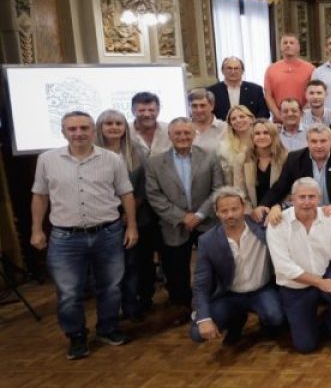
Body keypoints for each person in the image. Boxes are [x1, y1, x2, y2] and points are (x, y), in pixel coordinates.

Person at [31, 111, 138, 359]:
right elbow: (40, 195)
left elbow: (126, 194)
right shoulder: (47, 159)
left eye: (84, 128)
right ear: (63, 132)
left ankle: (108, 328)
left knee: (110, 287)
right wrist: (36, 229)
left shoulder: (112, 159)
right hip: (65, 238)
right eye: (72, 129)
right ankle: (76, 336)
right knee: (69, 292)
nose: (78, 133)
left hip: (108, 233)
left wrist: (131, 226)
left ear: (93, 130)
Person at [266, 178, 331, 353]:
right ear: (292, 199)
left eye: (311, 197)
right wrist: (320, 283)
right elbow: (283, 267)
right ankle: (307, 322)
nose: (307, 202)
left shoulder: (329, 219)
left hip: (324, 273)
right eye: (302, 197)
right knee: (305, 346)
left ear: (319, 198)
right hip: (295, 287)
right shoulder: (277, 223)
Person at [145, 118, 225, 321]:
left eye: (187, 133)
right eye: (177, 133)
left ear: (194, 134)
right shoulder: (155, 163)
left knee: (211, 265)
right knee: (176, 268)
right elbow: (154, 196)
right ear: (169, 135)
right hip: (173, 224)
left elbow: (218, 190)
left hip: (206, 222)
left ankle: (214, 303)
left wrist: (199, 215)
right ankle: (182, 306)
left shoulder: (209, 157)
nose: (182, 137)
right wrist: (182, 217)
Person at [190, 187, 284, 346]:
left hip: (262, 290)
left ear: (244, 207)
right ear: (216, 212)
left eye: (235, 209)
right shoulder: (207, 241)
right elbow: (200, 284)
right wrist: (204, 318)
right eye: (224, 211)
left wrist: (277, 206)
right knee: (197, 333)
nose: (230, 215)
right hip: (229, 295)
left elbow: (298, 206)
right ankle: (237, 320)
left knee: (276, 317)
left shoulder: (261, 225)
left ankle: (265, 323)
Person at [95, 110, 152, 322]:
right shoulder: (92, 154)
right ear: (100, 127)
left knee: (134, 265)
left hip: (135, 216)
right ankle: (110, 313)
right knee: (110, 270)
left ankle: (133, 305)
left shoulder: (136, 151)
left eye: (118, 123)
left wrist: (130, 214)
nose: (114, 127)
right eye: (108, 123)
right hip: (104, 219)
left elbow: (144, 186)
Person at [263, 124, 331, 233]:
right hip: (304, 214)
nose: (319, 145)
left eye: (323, 141)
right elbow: (281, 187)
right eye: (314, 141)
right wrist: (269, 205)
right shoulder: (295, 158)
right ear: (307, 142)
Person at [234, 119, 288, 217]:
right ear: (252, 137)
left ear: (274, 135)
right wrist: (251, 212)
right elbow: (239, 193)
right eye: (257, 133)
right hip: (252, 214)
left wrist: (278, 207)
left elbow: (290, 191)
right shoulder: (241, 159)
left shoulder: (286, 158)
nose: (261, 136)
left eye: (266, 133)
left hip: (280, 212)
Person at [263, 33, 316, 117]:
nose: (288, 45)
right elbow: (268, 95)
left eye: (291, 43)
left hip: (305, 117)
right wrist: (277, 114)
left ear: (298, 47)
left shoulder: (311, 69)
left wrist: (302, 114)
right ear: (280, 47)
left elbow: (314, 94)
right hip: (279, 119)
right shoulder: (271, 69)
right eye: (285, 43)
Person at [219, 105, 256, 180]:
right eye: (233, 119)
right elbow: (227, 178)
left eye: (242, 116)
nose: (238, 120)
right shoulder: (225, 148)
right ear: (230, 125)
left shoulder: (262, 140)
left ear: (251, 119)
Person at [131, 91, 171, 155]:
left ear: (158, 111)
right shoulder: (124, 132)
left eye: (151, 110)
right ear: (133, 111)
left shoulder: (170, 130)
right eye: (142, 110)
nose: (147, 114)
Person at [188, 88, 227, 153]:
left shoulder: (225, 128)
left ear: (212, 106)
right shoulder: (183, 128)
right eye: (194, 106)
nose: (199, 110)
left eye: (202, 106)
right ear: (189, 108)